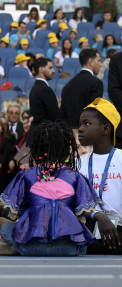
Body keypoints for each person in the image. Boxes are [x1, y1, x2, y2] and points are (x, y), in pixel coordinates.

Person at [0, 121, 100, 256]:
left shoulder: (26, 175)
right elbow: (82, 213)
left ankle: (16, 246)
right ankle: (18, 247)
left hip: (31, 245)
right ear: (67, 151)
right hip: (67, 248)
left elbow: (15, 211)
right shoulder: (76, 177)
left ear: (38, 150)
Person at [78, 98, 122, 254]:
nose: (80, 129)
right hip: (87, 227)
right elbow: (70, 202)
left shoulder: (120, 159)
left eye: (87, 124)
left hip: (118, 228)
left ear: (106, 129)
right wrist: (97, 215)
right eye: (80, 124)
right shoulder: (78, 163)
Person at [59, 49, 103, 128]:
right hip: (87, 135)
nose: (101, 64)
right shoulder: (96, 83)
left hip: (70, 135)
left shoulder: (68, 85)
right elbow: (94, 114)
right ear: (91, 61)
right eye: (99, 60)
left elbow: (63, 116)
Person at [26, 58, 58, 146]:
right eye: (50, 68)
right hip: (44, 138)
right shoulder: (45, 89)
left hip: (36, 135)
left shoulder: (35, 88)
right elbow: (55, 116)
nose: (54, 70)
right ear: (41, 69)